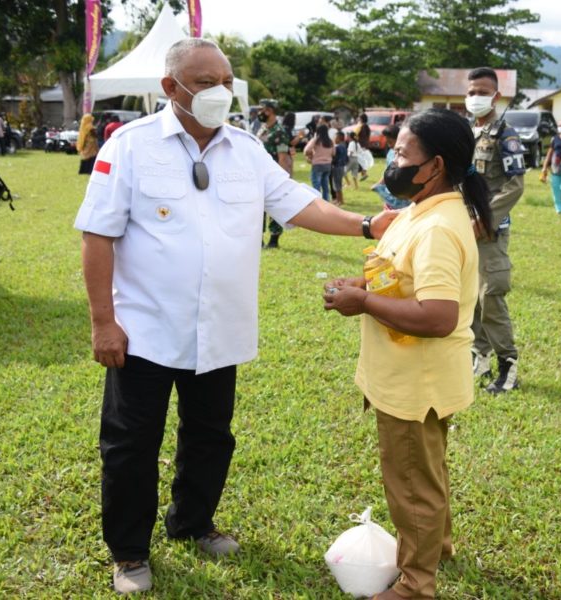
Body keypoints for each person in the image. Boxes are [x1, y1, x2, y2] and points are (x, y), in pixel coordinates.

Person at [73, 38, 397, 595]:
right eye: (204, 83)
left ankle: (192, 524)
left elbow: (298, 202)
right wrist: (104, 322)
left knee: (210, 436)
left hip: (219, 329)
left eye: (225, 81)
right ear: (170, 88)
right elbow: (97, 235)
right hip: (145, 332)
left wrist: (366, 225)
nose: (220, 92)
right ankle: (129, 553)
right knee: (130, 445)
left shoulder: (244, 149)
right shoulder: (129, 146)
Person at [323, 108, 492, 600]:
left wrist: (363, 303)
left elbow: (438, 316)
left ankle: (416, 585)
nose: (392, 159)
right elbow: (399, 274)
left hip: (415, 382)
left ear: (435, 165)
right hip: (411, 377)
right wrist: (361, 284)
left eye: (401, 152)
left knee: (412, 486)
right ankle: (436, 547)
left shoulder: (438, 226)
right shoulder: (421, 210)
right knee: (426, 472)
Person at [467, 67, 525, 393]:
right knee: (469, 296)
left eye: (483, 91)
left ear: (495, 96)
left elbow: (516, 186)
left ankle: (508, 366)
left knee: (490, 295)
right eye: (472, 91)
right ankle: (481, 356)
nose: (476, 97)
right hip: (462, 226)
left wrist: (485, 218)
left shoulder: (506, 135)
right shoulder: (466, 133)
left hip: (489, 230)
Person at [258, 101, 291, 248]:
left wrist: (281, 181)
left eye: (262, 110)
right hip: (258, 174)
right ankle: (258, 239)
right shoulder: (263, 129)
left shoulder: (279, 131)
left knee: (273, 207)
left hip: (272, 175)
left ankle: (274, 239)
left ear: (269, 111)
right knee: (257, 208)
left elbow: (283, 157)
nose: (260, 113)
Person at [372, 124, 411, 210]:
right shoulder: (390, 152)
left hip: (401, 192)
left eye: (390, 142)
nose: (389, 144)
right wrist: (380, 183)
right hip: (390, 191)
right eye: (387, 141)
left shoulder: (405, 153)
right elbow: (388, 170)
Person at [304, 123, 336, 202]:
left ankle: (318, 201)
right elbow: (334, 153)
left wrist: (310, 155)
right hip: (328, 165)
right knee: (325, 185)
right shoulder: (330, 141)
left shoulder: (316, 141)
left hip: (317, 165)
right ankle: (326, 201)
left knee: (316, 185)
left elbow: (307, 150)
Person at [331, 130, 348, 205]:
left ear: (339, 138)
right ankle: (338, 200)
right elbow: (347, 158)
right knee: (337, 184)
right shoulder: (344, 146)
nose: (334, 138)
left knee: (337, 184)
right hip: (341, 167)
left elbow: (334, 157)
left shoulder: (337, 147)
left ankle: (340, 201)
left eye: (335, 137)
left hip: (337, 167)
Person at [356, 113, 371, 181]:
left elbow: (359, 136)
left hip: (361, 146)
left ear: (361, 119)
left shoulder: (362, 126)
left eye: (359, 118)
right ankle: (363, 173)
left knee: (360, 160)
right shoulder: (366, 126)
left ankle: (364, 173)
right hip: (364, 145)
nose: (358, 119)